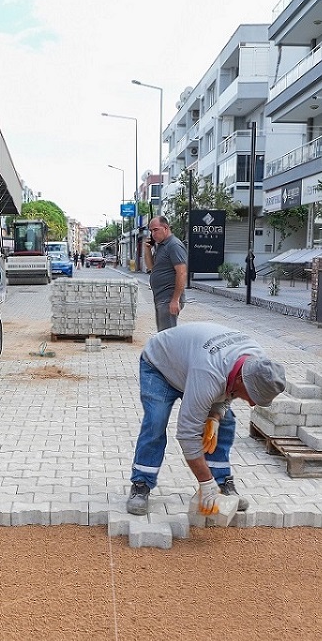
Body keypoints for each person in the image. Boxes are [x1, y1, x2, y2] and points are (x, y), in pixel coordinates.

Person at [125, 321, 287, 516]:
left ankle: (221, 484)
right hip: (161, 365)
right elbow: (187, 434)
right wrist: (204, 482)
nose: (252, 403)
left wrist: (215, 416)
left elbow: (229, 389)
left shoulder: (258, 364)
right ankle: (141, 483)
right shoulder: (209, 373)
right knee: (156, 421)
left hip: (193, 365)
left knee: (226, 422)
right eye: (252, 396)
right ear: (241, 379)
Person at [146, 216, 188, 330]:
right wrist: (147, 249)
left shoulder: (174, 245)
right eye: (151, 231)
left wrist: (175, 300)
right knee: (163, 333)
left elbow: (182, 273)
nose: (153, 234)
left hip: (169, 298)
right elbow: (151, 267)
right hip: (161, 297)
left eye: (155, 230)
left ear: (166, 228)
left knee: (167, 335)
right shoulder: (162, 246)